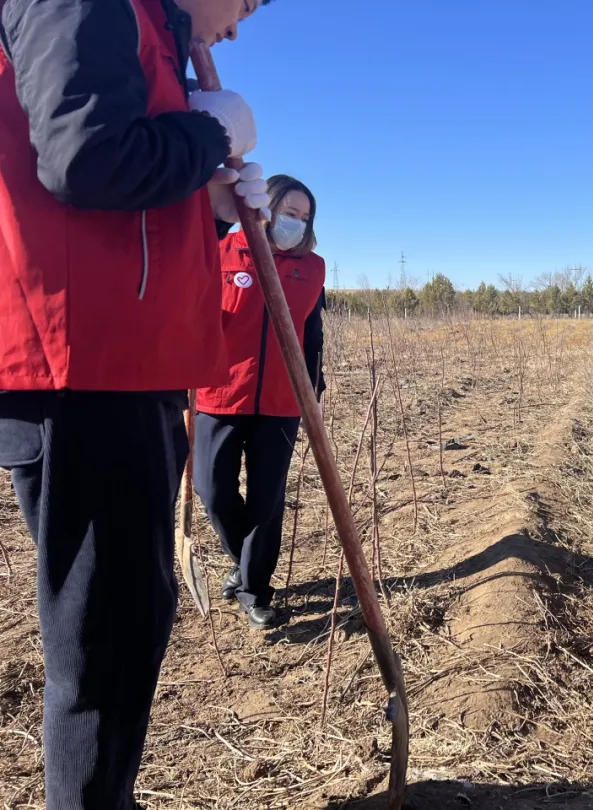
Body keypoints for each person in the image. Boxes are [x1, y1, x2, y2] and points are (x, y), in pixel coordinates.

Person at [0, 0, 273, 806]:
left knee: (127, 627)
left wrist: (209, 200)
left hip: (124, 365)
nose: (233, 31)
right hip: (81, 370)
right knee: (103, 646)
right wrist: (208, 137)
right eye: (246, 5)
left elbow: (127, 201)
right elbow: (85, 159)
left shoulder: (149, 29)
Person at [194, 174, 326, 629]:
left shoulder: (312, 268)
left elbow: (312, 336)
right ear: (265, 207)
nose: (295, 222)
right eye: (289, 211)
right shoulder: (220, 252)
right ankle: (240, 559)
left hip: (282, 402)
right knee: (211, 491)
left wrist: (314, 391)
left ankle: (255, 589)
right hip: (219, 394)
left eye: (303, 216)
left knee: (266, 501)